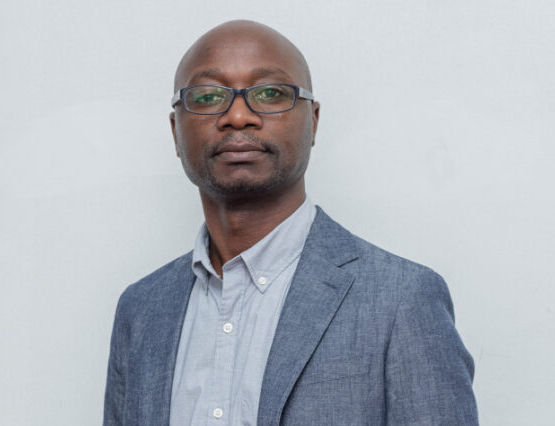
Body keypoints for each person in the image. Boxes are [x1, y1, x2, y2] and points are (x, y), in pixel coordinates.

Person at [104, 20, 477, 426]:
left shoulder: (402, 300)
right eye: (208, 96)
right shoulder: (141, 310)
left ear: (313, 121)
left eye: (270, 93)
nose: (238, 116)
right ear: (176, 130)